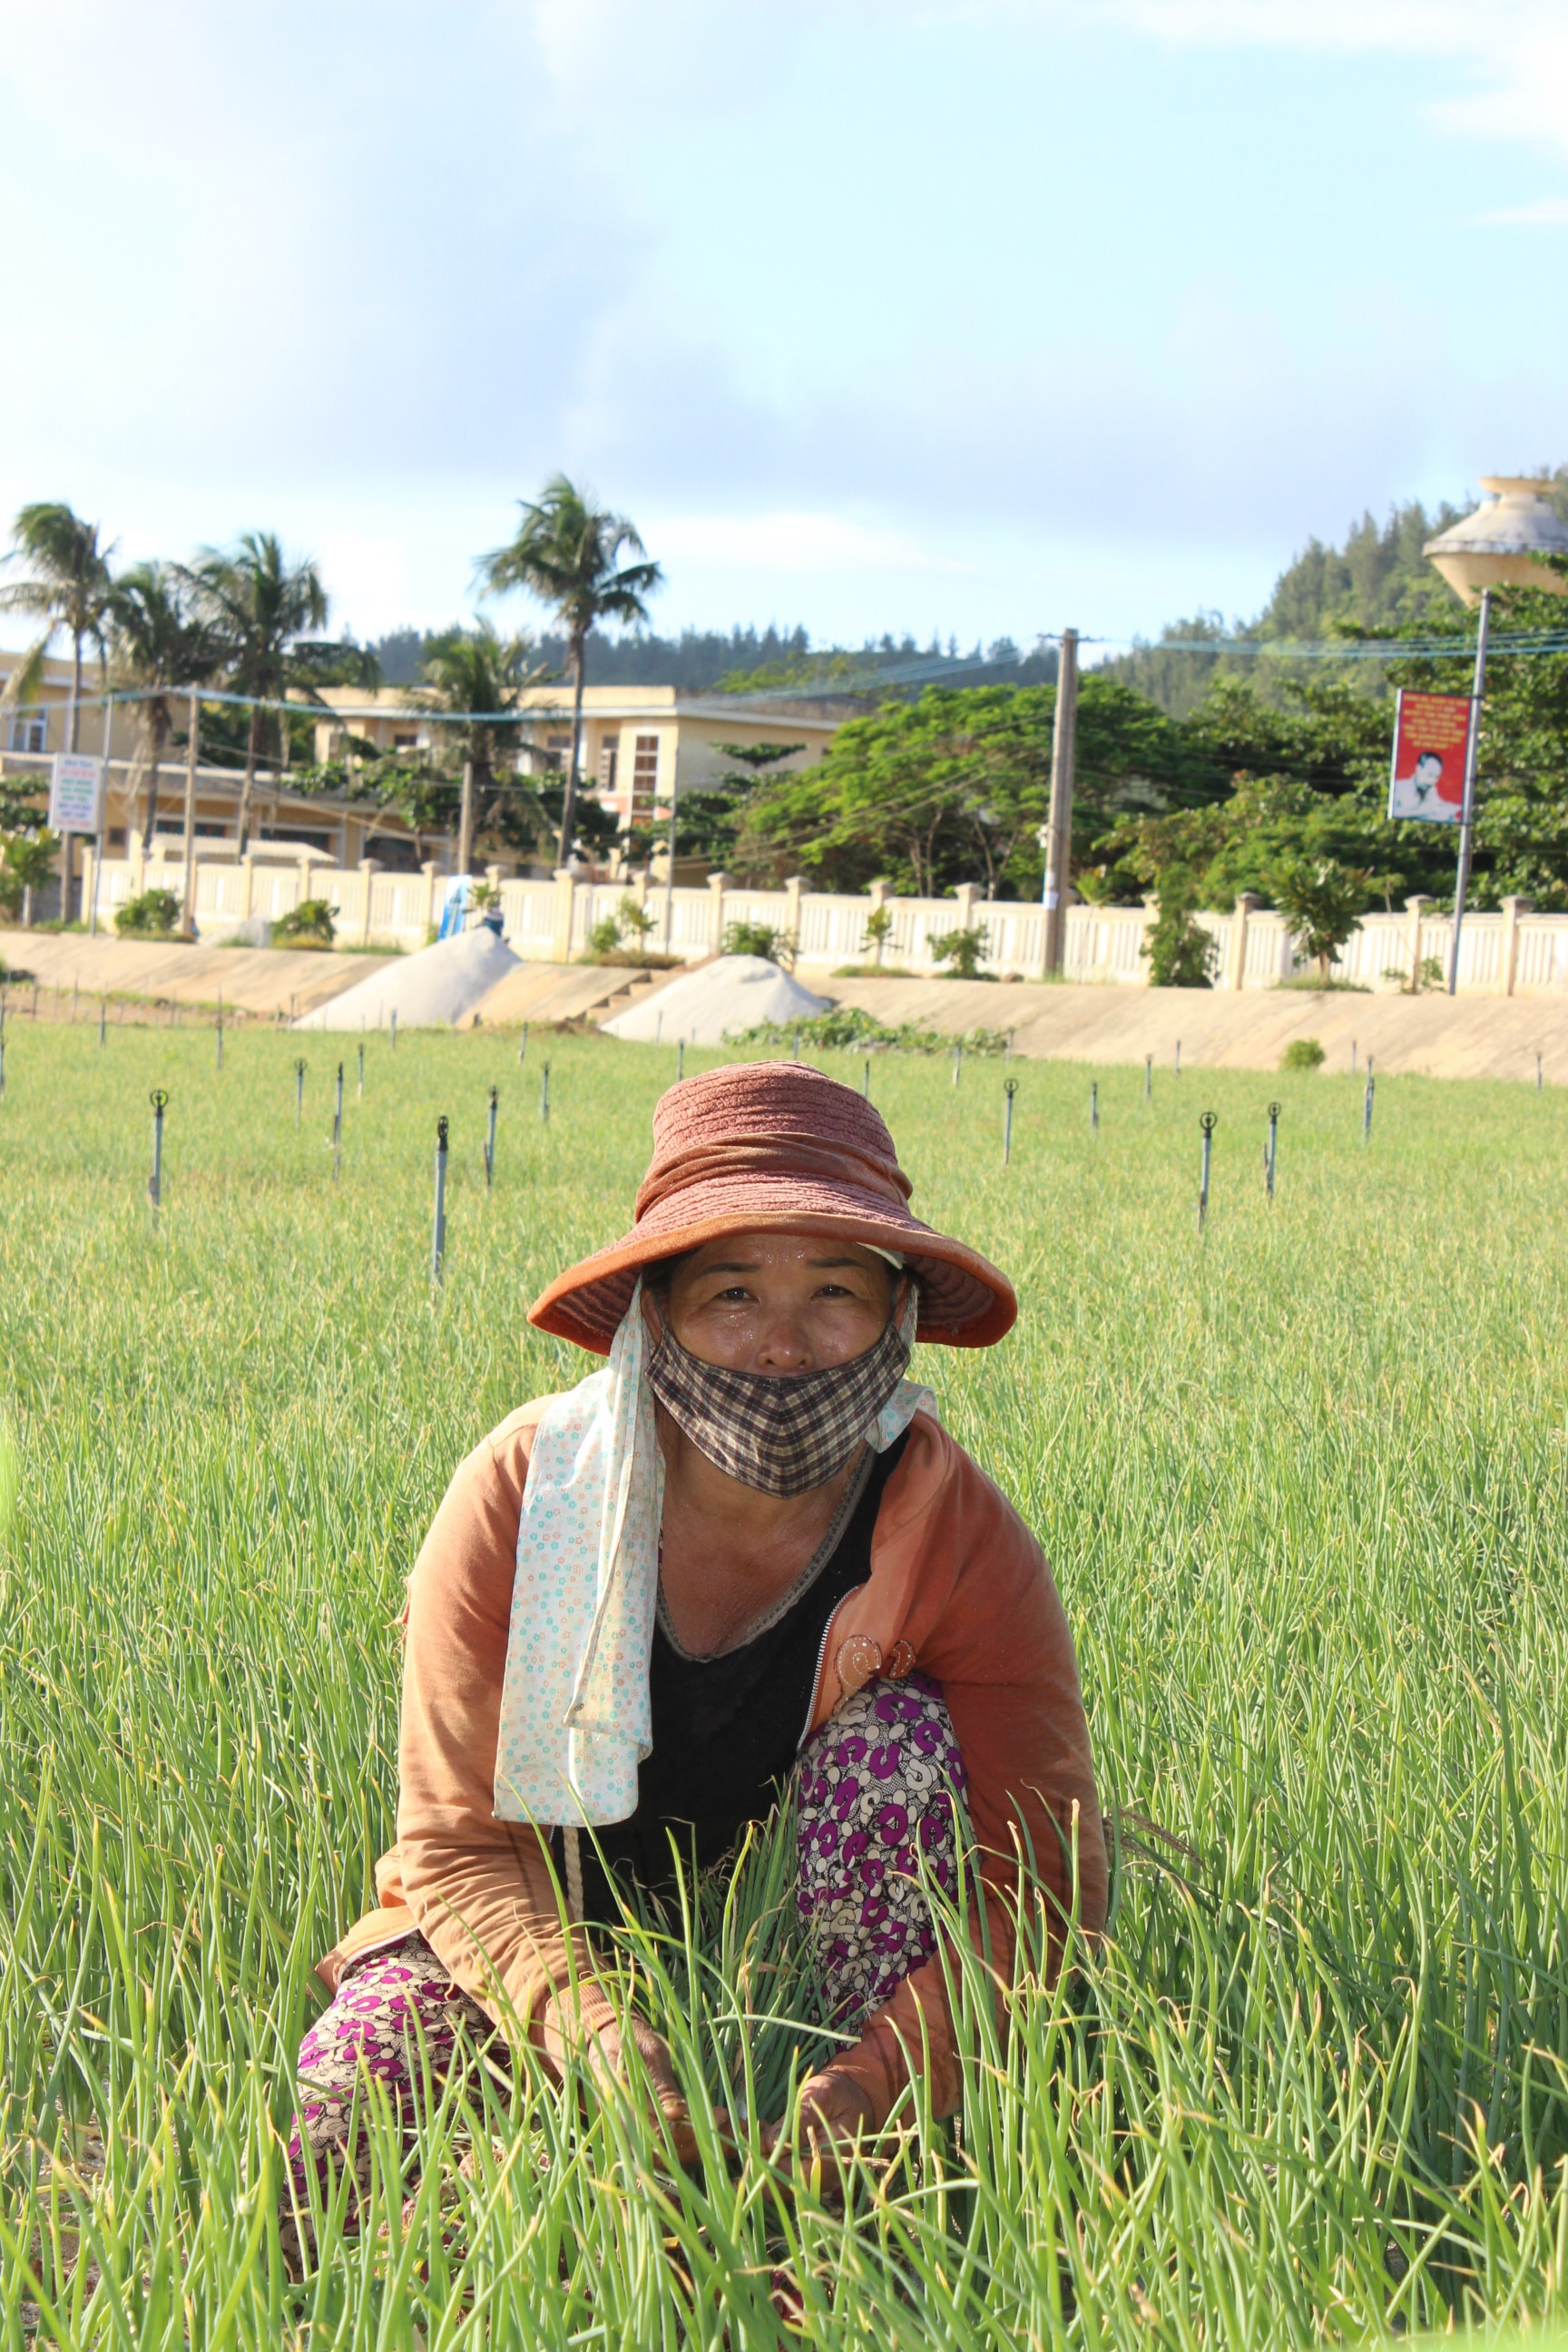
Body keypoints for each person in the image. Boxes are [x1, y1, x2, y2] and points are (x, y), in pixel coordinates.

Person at [285, 1062, 1105, 2246]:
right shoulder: (529, 1495)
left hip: (780, 1949)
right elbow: (456, 1847)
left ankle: (895, 2201)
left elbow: (1040, 1877)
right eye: (731, 1293)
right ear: (653, 1317)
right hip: (512, 1926)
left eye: (835, 1291)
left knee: (897, 1754)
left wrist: (875, 2086)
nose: (783, 1347)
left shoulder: (955, 1530)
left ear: (897, 1318)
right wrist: (594, 2030)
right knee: (342, 2163)